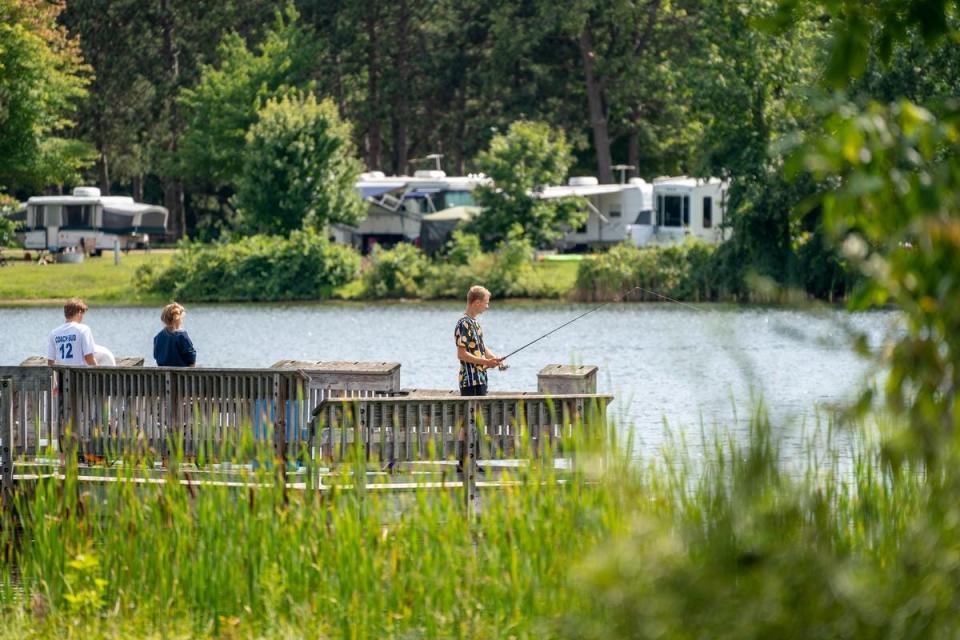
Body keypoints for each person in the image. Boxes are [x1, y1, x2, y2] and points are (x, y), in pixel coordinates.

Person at [454, 285, 502, 396]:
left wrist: (494, 359)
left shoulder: (475, 323)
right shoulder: (464, 324)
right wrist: (486, 362)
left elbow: (482, 347)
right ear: (477, 303)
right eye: (486, 303)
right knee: (474, 414)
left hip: (481, 379)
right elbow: (461, 355)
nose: (487, 306)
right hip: (471, 382)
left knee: (481, 414)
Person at [47, 298, 98, 366]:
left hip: (62, 375)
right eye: (83, 313)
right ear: (79, 312)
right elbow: (89, 357)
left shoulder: (54, 333)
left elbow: (50, 361)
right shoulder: (84, 329)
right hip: (79, 375)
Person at [153, 302, 197, 367]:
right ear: (179, 319)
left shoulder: (157, 337)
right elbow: (191, 358)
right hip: (182, 376)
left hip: (163, 376)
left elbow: (157, 358)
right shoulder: (182, 336)